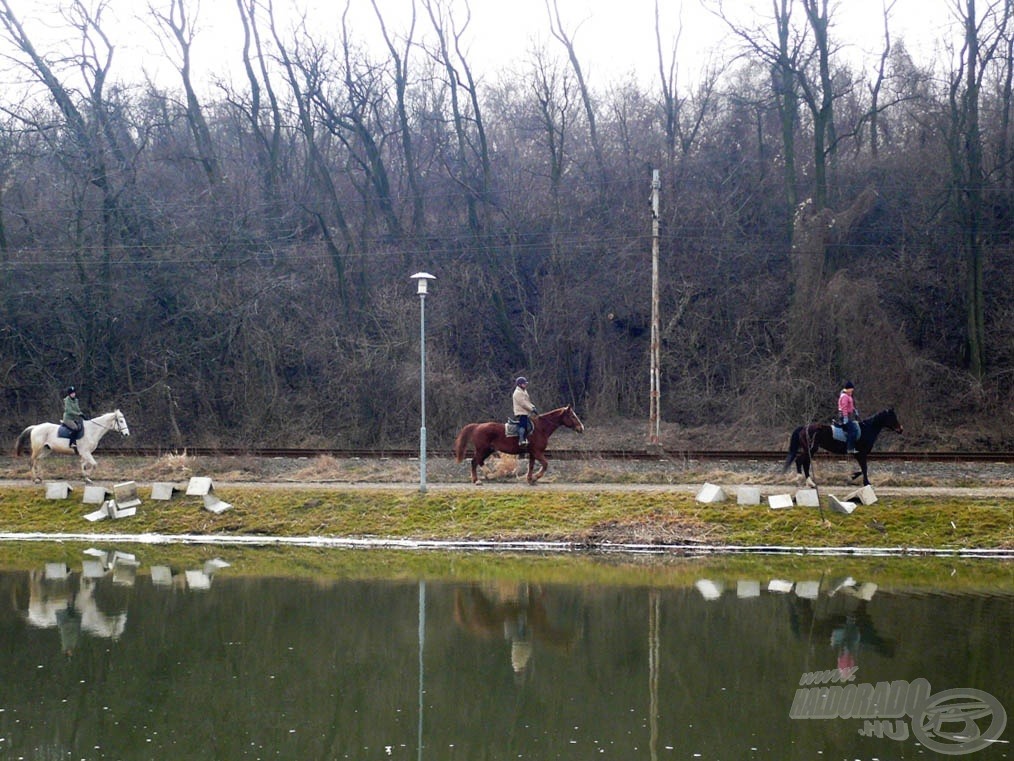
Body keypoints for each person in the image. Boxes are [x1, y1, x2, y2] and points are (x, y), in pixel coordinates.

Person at [512, 377, 538, 447]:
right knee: (523, 424)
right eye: (524, 384)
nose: (525, 385)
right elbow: (523, 404)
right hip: (520, 412)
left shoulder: (524, 391)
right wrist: (531, 409)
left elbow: (528, 402)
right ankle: (521, 440)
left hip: (525, 412)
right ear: (520, 384)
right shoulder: (518, 393)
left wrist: (533, 407)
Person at [837, 381, 860, 454]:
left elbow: (850, 405)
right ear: (848, 389)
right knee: (854, 430)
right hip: (844, 416)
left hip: (848, 415)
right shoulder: (844, 396)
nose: (852, 391)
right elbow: (844, 407)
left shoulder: (848, 396)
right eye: (851, 389)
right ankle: (850, 448)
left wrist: (854, 410)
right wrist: (845, 418)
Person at [62, 386, 85, 450]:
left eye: (74, 393)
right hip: (68, 419)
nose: (73, 394)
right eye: (72, 393)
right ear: (69, 394)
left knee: (81, 427)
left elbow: (77, 409)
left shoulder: (76, 400)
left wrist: (82, 414)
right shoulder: (67, 400)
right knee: (75, 428)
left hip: (74, 419)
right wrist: (78, 414)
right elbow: (69, 411)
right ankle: (71, 443)